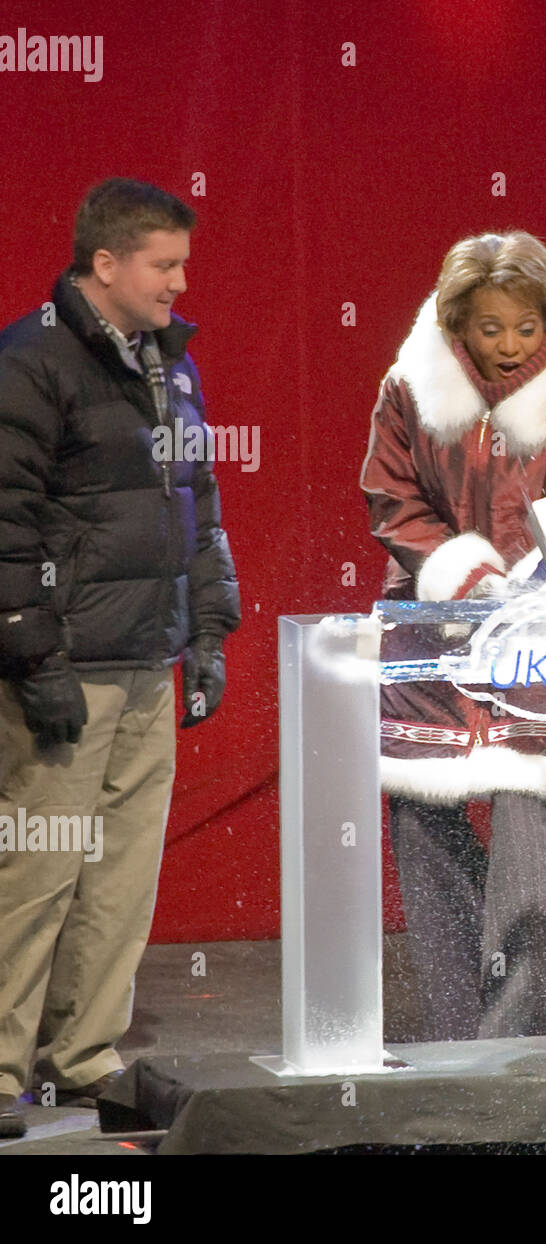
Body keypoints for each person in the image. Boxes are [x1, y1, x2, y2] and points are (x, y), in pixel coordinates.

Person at [0, 179, 240, 1138]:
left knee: (118, 879)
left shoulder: (167, 365)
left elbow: (198, 504)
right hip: (67, 669)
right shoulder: (30, 361)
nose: (181, 283)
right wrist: (34, 658)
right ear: (106, 266)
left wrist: (210, 630)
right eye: (164, 265)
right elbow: (6, 524)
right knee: (35, 875)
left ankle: (82, 1057)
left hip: (147, 659)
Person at [361, 230, 546, 1042]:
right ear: (457, 325)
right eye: (489, 328)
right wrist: (464, 579)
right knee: (421, 813)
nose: (510, 345)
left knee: (526, 814)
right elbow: (391, 496)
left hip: (535, 635)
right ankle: (456, 1024)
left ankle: (531, 1034)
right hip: (430, 625)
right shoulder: (409, 389)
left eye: (525, 327)